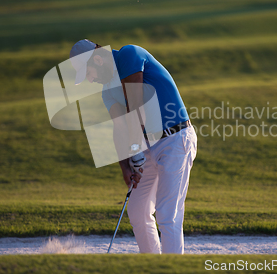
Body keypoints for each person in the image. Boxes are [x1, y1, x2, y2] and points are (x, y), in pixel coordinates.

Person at [69, 39, 197, 254]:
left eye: (89, 73)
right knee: (137, 211)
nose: (90, 80)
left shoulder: (129, 55)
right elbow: (119, 127)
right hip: (147, 145)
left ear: (98, 60)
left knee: (167, 214)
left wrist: (135, 148)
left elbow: (137, 105)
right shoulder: (107, 91)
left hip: (175, 140)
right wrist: (125, 167)